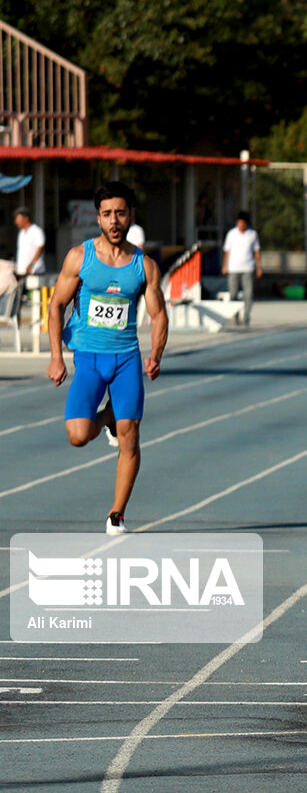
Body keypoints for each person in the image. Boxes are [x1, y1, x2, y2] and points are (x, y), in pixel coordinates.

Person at [46, 181, 168, 535]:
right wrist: (57, 357)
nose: (114, 221)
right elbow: (56, 305)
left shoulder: (143, 266)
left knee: (130, 436)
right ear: (98, 219)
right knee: (78, 435)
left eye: (120, 213)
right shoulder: (79, 257)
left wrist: (156, 354)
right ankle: (109, 417)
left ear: (130, 216)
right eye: (107, 214)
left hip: (127, 358)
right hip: (88, 358)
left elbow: (158, 315)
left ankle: (117, 514)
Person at [222, 211, 261, 325]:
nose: (241, 225)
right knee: (233, 293)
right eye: (239, 223)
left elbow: (256, 252)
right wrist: (225, 266)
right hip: (233, 268)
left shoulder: (252, 234)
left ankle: (246, 317)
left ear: (246, 223)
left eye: (243, 223)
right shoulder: (231, 234)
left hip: (248, 268)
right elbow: (227, 251)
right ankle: (235, 316)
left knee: (248, 294)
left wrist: (258, 267)